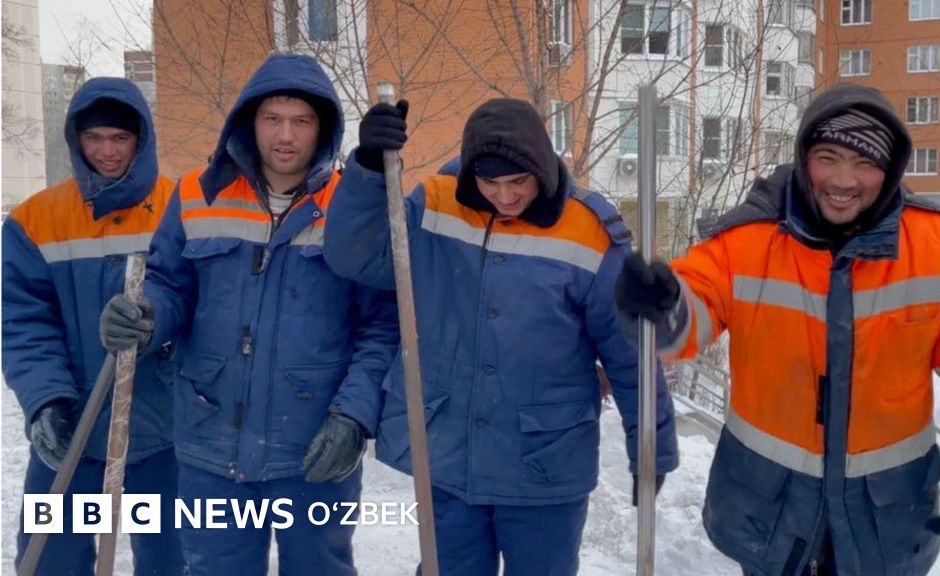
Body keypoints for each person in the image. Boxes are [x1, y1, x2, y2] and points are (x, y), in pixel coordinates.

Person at [615, 83, 940, 576]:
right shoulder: (750, 240)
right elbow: (692, 314)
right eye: (828, 157)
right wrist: (663, 306)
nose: (843, 180)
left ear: (891, 169)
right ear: (804, 156)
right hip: (770, 509)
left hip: (887, 514)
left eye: (865, 163)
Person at [323, 97, 679, 575]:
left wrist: (651, 446)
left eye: (518, 182)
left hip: (544, 464)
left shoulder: (588, 231)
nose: (505, 196)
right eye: (490, 182)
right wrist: (366, 167)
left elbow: (628, 351)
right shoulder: (435, 203)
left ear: (542, 167)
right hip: (450, 455)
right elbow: (356, 257)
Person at [98, 54, 399, 575]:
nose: (286, 135)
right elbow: (170, 284)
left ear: (322, 127)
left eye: (301, 121)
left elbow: (381, 326)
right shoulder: (198, 193)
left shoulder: (349, 205)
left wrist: (355, 413)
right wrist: (146, 315)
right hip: (209, 437)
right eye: (272, 119)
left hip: (315, 443)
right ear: (249, 121)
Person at [3, 78, 184, 575]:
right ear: (76, 140)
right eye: (95, 138)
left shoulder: (183, 208)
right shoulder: (36, 220)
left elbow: (199, 304)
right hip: (73, 428)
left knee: (176, 562)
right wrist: (46, 402)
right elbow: (24, 323)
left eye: (120, 139)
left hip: (165, 431)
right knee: (50, 562)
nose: (107, 151)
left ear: (141, 140)